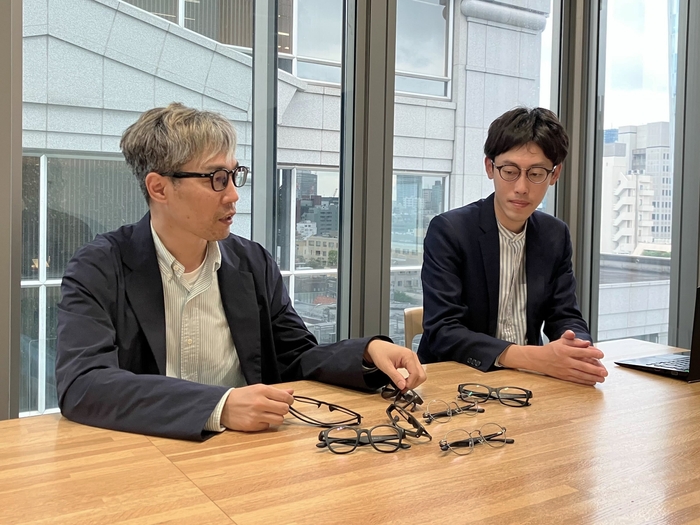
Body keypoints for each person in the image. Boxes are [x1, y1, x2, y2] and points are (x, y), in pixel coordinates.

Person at [55, 103, 426, 441]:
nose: (233, 195)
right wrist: (218, 406)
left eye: (235, 175)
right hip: (146, 455)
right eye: (217, 178)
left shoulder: (252, 262)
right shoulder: (100, 267)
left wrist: (365, 352)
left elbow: (295, 355)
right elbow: (84, 384)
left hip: (246, 454)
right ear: (159, 188)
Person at [417, 107, 608, 386]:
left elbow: (565, 315)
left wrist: (578, 351)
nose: (521, 187)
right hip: (457, 383)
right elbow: (443, 331)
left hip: (528, 383)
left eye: (536, 173)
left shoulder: (555, 235)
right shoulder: (450, 231)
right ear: (490, 167)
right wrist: (533, 358)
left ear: (555, 174)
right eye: (509, 171)